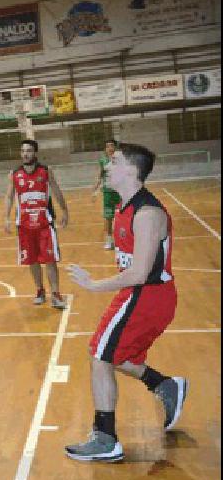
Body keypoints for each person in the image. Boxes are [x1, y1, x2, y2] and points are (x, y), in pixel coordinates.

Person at [65, 143, 188, 462]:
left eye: (114, 161)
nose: (107, 165)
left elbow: (139, 273)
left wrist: (94, 285)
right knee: (115, 355)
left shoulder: (148, 213)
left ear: (131, 171)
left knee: (101, 356)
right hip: (137, 295)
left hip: (148, 296)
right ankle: (163, 385)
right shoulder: (124, 207)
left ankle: (105, 438)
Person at [3, 140, 69, 309]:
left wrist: (64, 210)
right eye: (23, 151)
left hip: (44, 223)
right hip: (24, 225)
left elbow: (56, 190)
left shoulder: (45, 171)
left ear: (35, 153)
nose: (25, 154)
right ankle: (40, 290)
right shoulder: (14, 174)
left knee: (50, 259)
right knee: (32, 260)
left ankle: (55, 293)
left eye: (29, 150)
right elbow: (9, 196)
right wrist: (6, 218)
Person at [93, 140, 121, 250]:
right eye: (107, 146)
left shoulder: (121, 160)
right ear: (105, 149)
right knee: (108, 217)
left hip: (119, 192)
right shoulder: (103, 160)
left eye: (112, 146)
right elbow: (100, 175)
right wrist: (95, 187)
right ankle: (109, 241)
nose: (110, 148)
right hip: (108, 192)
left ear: (115, 147)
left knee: (122, 216)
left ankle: (122, 240)